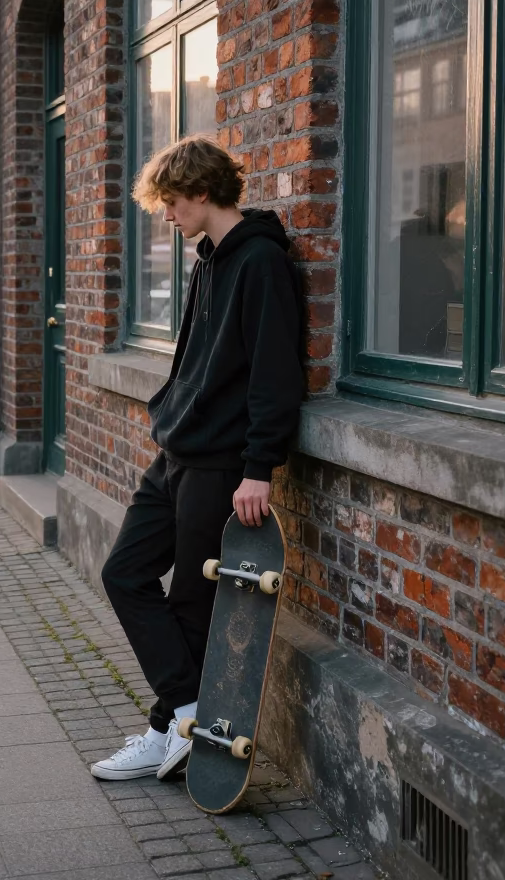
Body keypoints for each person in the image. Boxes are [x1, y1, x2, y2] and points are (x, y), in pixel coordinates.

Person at [91, 135, 303, 782]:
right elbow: (191, 359)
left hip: (221, 462)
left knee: (189, 603)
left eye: (172, 202)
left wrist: (257, 468)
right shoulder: (208, 259)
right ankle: (184, 713)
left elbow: (275, 373)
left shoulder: (261, 262)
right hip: (178, 448)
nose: (167, 215)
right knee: (125, 574)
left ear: (203, 192)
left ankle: (166, 732)